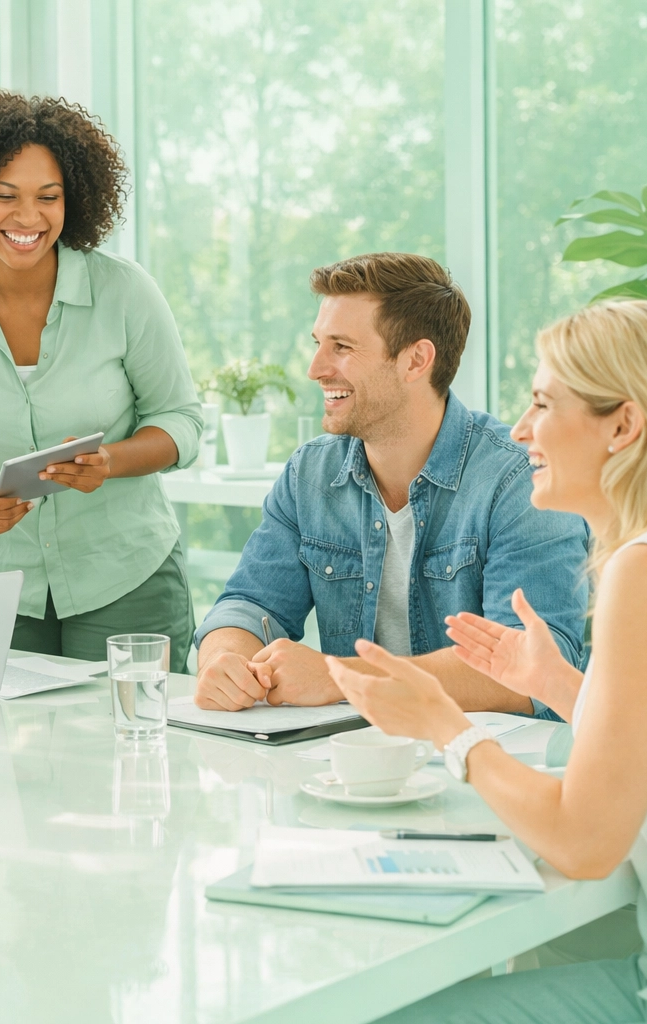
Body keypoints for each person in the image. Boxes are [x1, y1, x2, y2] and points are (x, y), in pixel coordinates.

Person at [337, 300, 647, 1023]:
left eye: (543, 402)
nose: (519, 430)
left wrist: (446, 728)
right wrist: (558, 685)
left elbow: (584, 842)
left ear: (624, 426)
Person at [193, 252, 589, 716]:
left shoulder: (520, 481)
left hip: (483, 763)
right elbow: (249, 603)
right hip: (350, 760)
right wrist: (224, 660)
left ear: (416, 360)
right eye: (319, 342)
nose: (316, 368)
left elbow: (539, 671)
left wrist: (341, 677)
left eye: (341, 346)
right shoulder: (310, 473)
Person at [0, 92, 205, 666]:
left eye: (48, 197)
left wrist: (111, 462)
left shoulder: (124, 292)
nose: (28, 218)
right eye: (4, 196)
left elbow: (180, 422)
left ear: (74, 200)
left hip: (123, 573)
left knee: (131, 741)